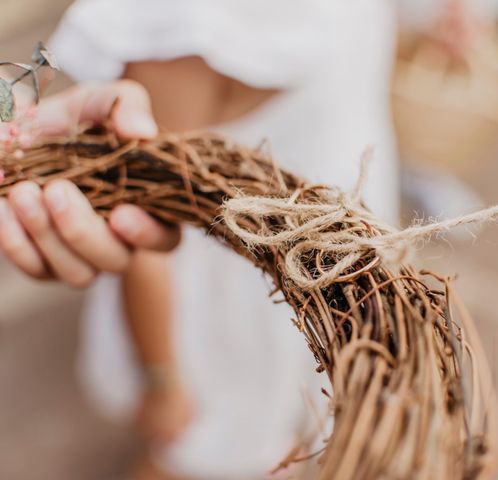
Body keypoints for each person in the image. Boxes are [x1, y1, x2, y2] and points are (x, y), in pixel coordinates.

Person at [0, 1, 399, 479]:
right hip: (227, 311)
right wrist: (162, 379)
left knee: (275, 433)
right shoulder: (194, 24)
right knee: (194, 455)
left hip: (309, 276)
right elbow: (147, 204)